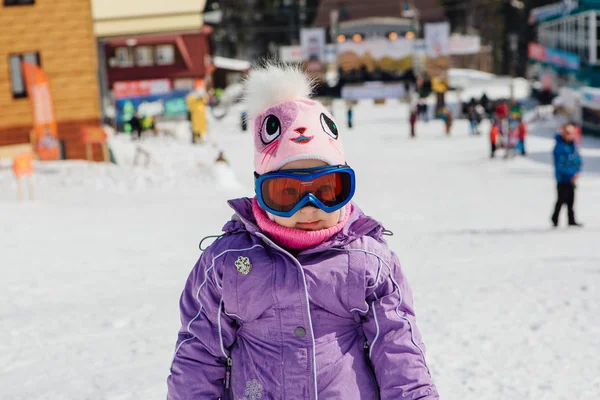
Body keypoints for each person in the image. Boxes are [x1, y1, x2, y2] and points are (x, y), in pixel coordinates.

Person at [167, 64, 439, 399]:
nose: (309, 208)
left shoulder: (368, 261)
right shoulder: (228, 263)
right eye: (287, 194)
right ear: (261, 194)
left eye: (327, 191)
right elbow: (199, 353)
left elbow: (399, 352)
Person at [551, 124, 583, 227]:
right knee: (561, 199)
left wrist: (577, 172)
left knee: (571, 200)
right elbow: (560, 164)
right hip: (563, 178)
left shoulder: (573, 145)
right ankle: (555, 219)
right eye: (567, 133)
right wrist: (571, 173)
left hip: (572, 178)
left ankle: (571, 220)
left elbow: (578, 160)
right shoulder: (559, 147)